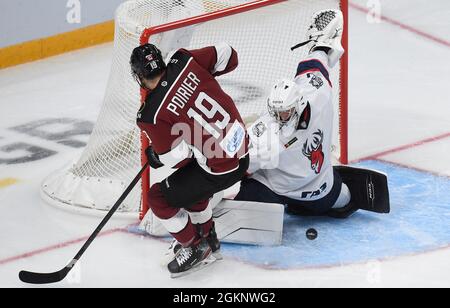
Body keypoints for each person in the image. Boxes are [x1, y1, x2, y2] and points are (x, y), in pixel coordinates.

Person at [236, 10, 390, 218]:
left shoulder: (266, 135)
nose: (280, 116)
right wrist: (322, 44)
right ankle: (330, 199)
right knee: (344, 198)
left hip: (281, 190)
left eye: (284, 112)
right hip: (320, 189)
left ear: (297, 104)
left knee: (244, 192)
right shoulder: (316, 94)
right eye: (277, 111)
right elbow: (318, 62)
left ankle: (287, 206)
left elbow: (237, 167)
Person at [130, 43, 249, 277]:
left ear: (139, 77)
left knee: (158, 198)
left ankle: (194, 246)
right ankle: (209, 238)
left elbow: (177, 160)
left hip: (220, 169)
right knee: (193, 185)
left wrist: (156, 155)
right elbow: (230, 55)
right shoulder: (184, 59)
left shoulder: (150, 114)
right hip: (243, 151)